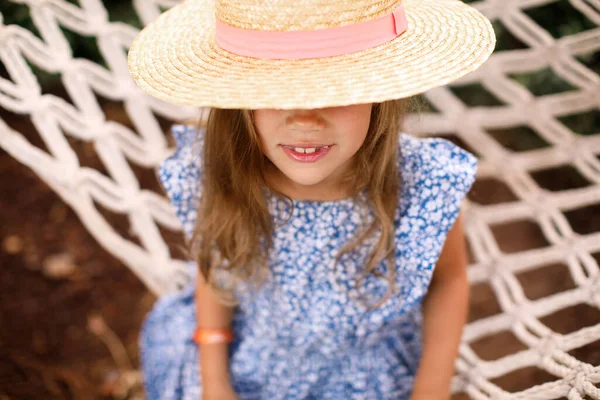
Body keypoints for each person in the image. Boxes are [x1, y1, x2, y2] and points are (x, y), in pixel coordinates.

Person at [127, 0, 496, 399]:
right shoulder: (227, 174)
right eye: (275, 89)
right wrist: (215, 381)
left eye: (335, 89)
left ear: (381, 92)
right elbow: (218, 271)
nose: (305, 118)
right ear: (241, 102)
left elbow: (449, 281)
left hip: (368, 375)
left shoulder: (424, 186)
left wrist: (431, 390)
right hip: (251, 361)